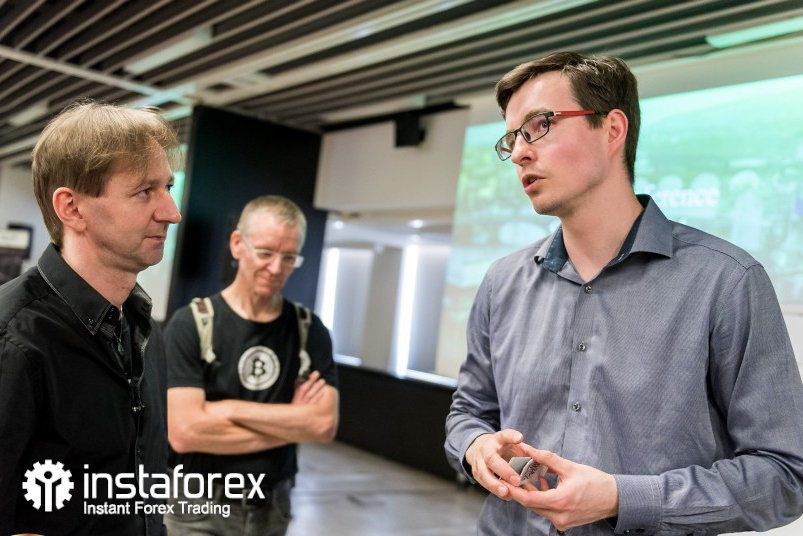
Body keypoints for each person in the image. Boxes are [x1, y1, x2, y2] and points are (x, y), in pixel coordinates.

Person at [444, 51, 803, 535]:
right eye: (512, 139)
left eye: (539, 126)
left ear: (612, 129)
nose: (521, 153)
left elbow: (784, 475)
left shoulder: (726, 281)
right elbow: (469, 411)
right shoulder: (501, 281)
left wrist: (621, 498)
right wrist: (476, 447)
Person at [0, 102, 182, 534]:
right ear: (72, 208)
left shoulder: (141, 330)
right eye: (145, 191)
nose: (171, 212)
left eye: (168, 187)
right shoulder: (15, 340)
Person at [164, 195, 338, 535]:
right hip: (198, 507)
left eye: (289, 258)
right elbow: (185, 433)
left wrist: (227, 409)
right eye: (266, 253)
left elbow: (322, 425)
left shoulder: (309, 330)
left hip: (273, 507)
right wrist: (291, 423)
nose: (276, 269)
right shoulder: (191, 323)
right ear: (237, 244)